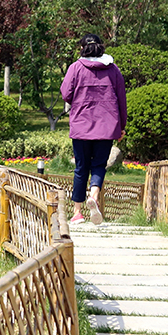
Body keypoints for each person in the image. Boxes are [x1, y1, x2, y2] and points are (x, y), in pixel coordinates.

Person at [60, 33, 127, 225]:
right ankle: (94, 195)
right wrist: (121, 126)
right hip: (107, 127)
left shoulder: (75, 68)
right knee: (98, 165)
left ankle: (77, 213)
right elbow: (121, 100)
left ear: (82, 48)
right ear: (100, 47)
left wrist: (79, 98)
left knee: (81, 168)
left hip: (81, 126)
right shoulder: (113, 69)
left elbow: (65, 93)